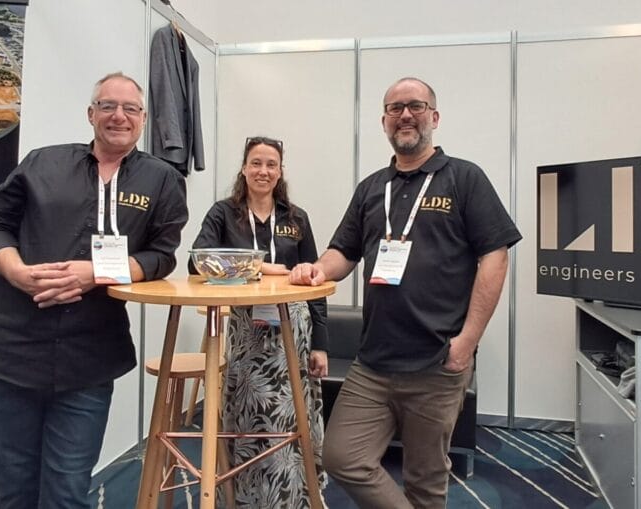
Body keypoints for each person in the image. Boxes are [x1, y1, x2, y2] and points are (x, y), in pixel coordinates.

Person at [290, 77, 522, 508]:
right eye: (395, 108)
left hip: (437, 360)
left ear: (434, 117)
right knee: (341, 456)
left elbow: (495, 257)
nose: (405, 115)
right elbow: (344, 251)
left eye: (415, 105)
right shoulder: (372, 187)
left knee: (425, 480)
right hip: (374, 361)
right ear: (384, 122)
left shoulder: (465, 179)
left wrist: (467, 341)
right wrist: (317, 269)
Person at [0, 72, 188, 509]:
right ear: (91, 114)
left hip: (89, 357)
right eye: (108, 106)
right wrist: (15, 272)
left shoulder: (162, 180)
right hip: (14, 347)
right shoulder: (41, 163)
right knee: (16, 487)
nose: (119, 116)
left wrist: (96, 274)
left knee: (68, 491)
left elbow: (162, 256)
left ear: (143, 119)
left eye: (130, 109)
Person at [190, 136, 329, 508]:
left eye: (271, 164)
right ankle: (244, 495)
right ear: (244, 168)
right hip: (245, 329)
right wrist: (259, 266)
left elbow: (316, 281)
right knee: (248, 411)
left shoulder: (296, 218)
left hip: (292, 328)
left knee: (288, 411)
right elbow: (197, 261)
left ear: (280, 171)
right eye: (256, 163)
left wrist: (321, 344)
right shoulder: (223, 213)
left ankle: (291, 494)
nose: (263, 171)